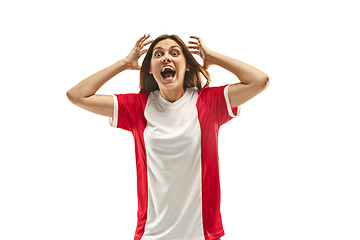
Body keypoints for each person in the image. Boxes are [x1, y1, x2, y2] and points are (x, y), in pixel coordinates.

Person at [67, 34, 269, 240]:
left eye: (175, 53)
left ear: (187, 65)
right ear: (149, 69)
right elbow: (77, 95)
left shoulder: (208, 103)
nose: (166, 58)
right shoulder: (138, 107)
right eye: (158, 54)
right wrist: (124, 64)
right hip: (152, 234)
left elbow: (260, 81)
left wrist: (214, 57)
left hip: (202, 235)